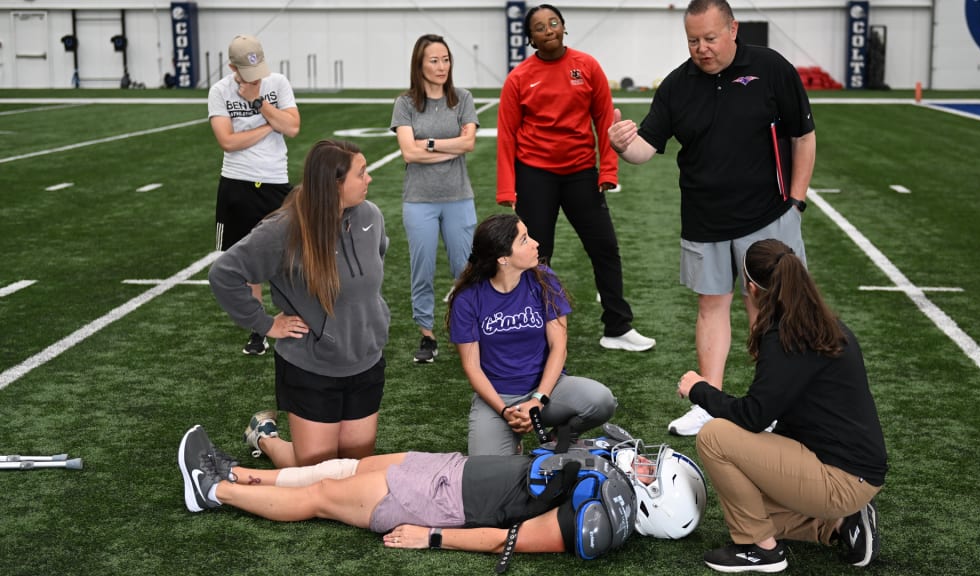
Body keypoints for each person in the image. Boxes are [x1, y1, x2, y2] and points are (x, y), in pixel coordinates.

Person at [608, 0, 816, 436]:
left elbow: (803, 135)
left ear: (733, 29)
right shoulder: (677, 86)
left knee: (768, 309)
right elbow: (646, 149)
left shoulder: (771, 68)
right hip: (703, 218)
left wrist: (796, 202)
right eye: (692, 41)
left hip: (768, 215)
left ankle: (771, 402)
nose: (701, 49)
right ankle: (708, 403)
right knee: (711, 306)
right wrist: (621, 144)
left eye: (710, 38)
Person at [677, 239, 887, 573]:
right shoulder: (820, 323)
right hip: (852, 470)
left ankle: (762, 551)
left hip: (841, 477)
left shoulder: (786, 335)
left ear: (751, 288)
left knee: (714, 436)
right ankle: (839, 525)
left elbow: (753, 416)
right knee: (747, 503)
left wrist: (700, 389)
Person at [177, 424, 643, 561]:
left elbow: (508, 540)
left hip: (436, 501)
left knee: (320, 494)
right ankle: (237, 473)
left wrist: (432, 535)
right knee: (345, 468)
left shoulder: (594, 516)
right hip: (450, 470)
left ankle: (212, 491)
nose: (645, 467)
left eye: (649, 474)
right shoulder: (602, 477)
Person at [208, 140, 390, 468]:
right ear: (334, 185)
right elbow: (224, 274)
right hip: (312, 367)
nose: (369, 179)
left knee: (354, 471)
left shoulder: (371, 216)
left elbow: (377, 257)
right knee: (318, 475)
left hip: (365, 360)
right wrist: (265, 324)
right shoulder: (284, 229)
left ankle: (269, 435)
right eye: (361, 173)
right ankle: (265, 436)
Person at [496, 4, 655, 353]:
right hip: (535, 175)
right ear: (530, 38)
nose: (548, 30)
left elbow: (605, 121)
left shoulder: (587, 66)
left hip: (581, 172)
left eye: (554, 23)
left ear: (564, 27)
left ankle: (617, 327)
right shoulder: (520, 78)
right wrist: (507, 188)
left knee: (605, 248)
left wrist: (608, 169)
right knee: (536, 255)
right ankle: (532, 326)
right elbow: (507, 135)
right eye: (539, 27)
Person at [446, 214, 617, 456]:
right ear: (503, 258)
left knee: (602, 401)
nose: (536, 243)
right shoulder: (468, 299)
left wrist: (538, 400)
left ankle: (562, 433)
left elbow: (559, 347)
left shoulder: (544, 279)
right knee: (485, 470)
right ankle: (513, 439)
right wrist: (505, 411)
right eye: (524, 240)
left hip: (547, 390)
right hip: (498, 399)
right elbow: (472, 367)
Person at [208, 34, 301, 356]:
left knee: (289, 256)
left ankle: (296, 317)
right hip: (236, 183)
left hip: (275, 182)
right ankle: (258, 328)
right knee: (243, 261)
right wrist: (269, 125)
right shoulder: (220, 90)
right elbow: (228, 142)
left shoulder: (277, 83)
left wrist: (260, 103)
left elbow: (293, 128)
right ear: (232, 66)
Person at [390, 34, 479, 364]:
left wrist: (428, 144)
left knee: (466, 270)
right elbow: (407, 152)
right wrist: (448, 144)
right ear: (419, 64)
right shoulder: (406, 104)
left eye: (446, 59)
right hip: (419, 201)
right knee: (422, 269)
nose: (442, 66)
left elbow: (468, 144)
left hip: (458, 197)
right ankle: (427, 335)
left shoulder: (463, 98)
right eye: (434, 60)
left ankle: (467, 331)